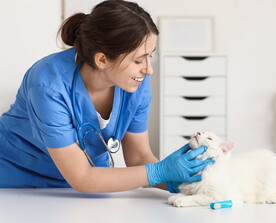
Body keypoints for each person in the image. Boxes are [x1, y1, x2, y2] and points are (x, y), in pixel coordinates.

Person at [0, 0, 213, 192]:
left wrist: (181, 182)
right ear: (102, 60)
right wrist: (160, 171)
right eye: (139, 60)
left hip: (90, 184)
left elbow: (138, 157)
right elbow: (82, 177)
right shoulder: (48, 85)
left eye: (150, 56)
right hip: (17, 179)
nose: (149, 70)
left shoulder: (135, 83)